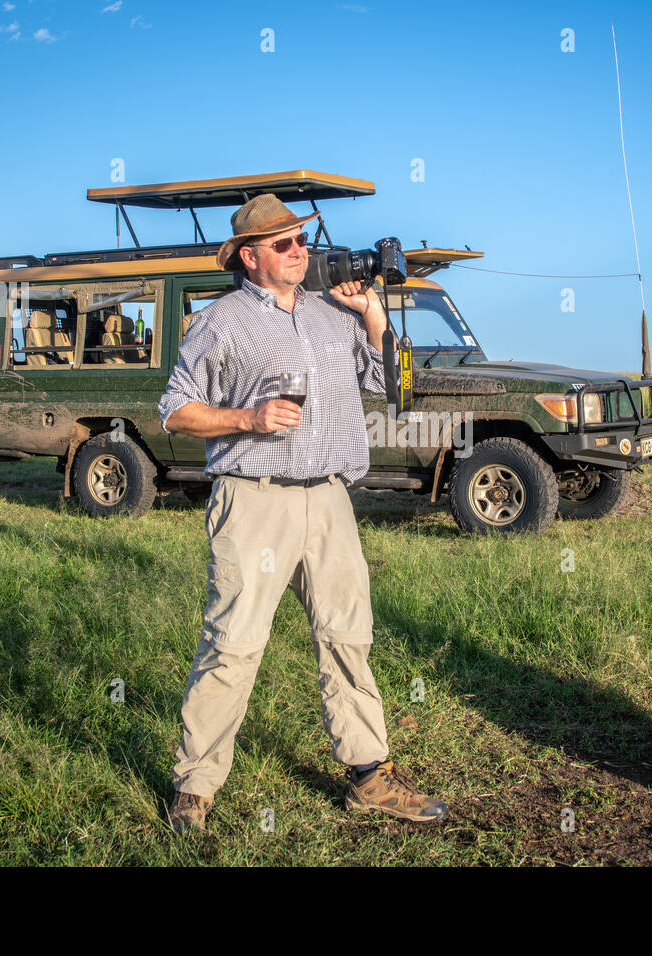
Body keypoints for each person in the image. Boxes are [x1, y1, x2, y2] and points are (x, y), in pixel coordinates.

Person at [157, 193, 448, 832]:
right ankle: (195, 786)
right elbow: (175, 410)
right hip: (253, 498)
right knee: (233, 645)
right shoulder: (220, 321)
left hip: (331, 497)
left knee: (349, 637)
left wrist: (372, 313)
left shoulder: (331, 312)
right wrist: (247, 419)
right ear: (249, 257)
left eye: (302, 239)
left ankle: (370, 777)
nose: (300, 250)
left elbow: (393, 386)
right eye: (284, 243)